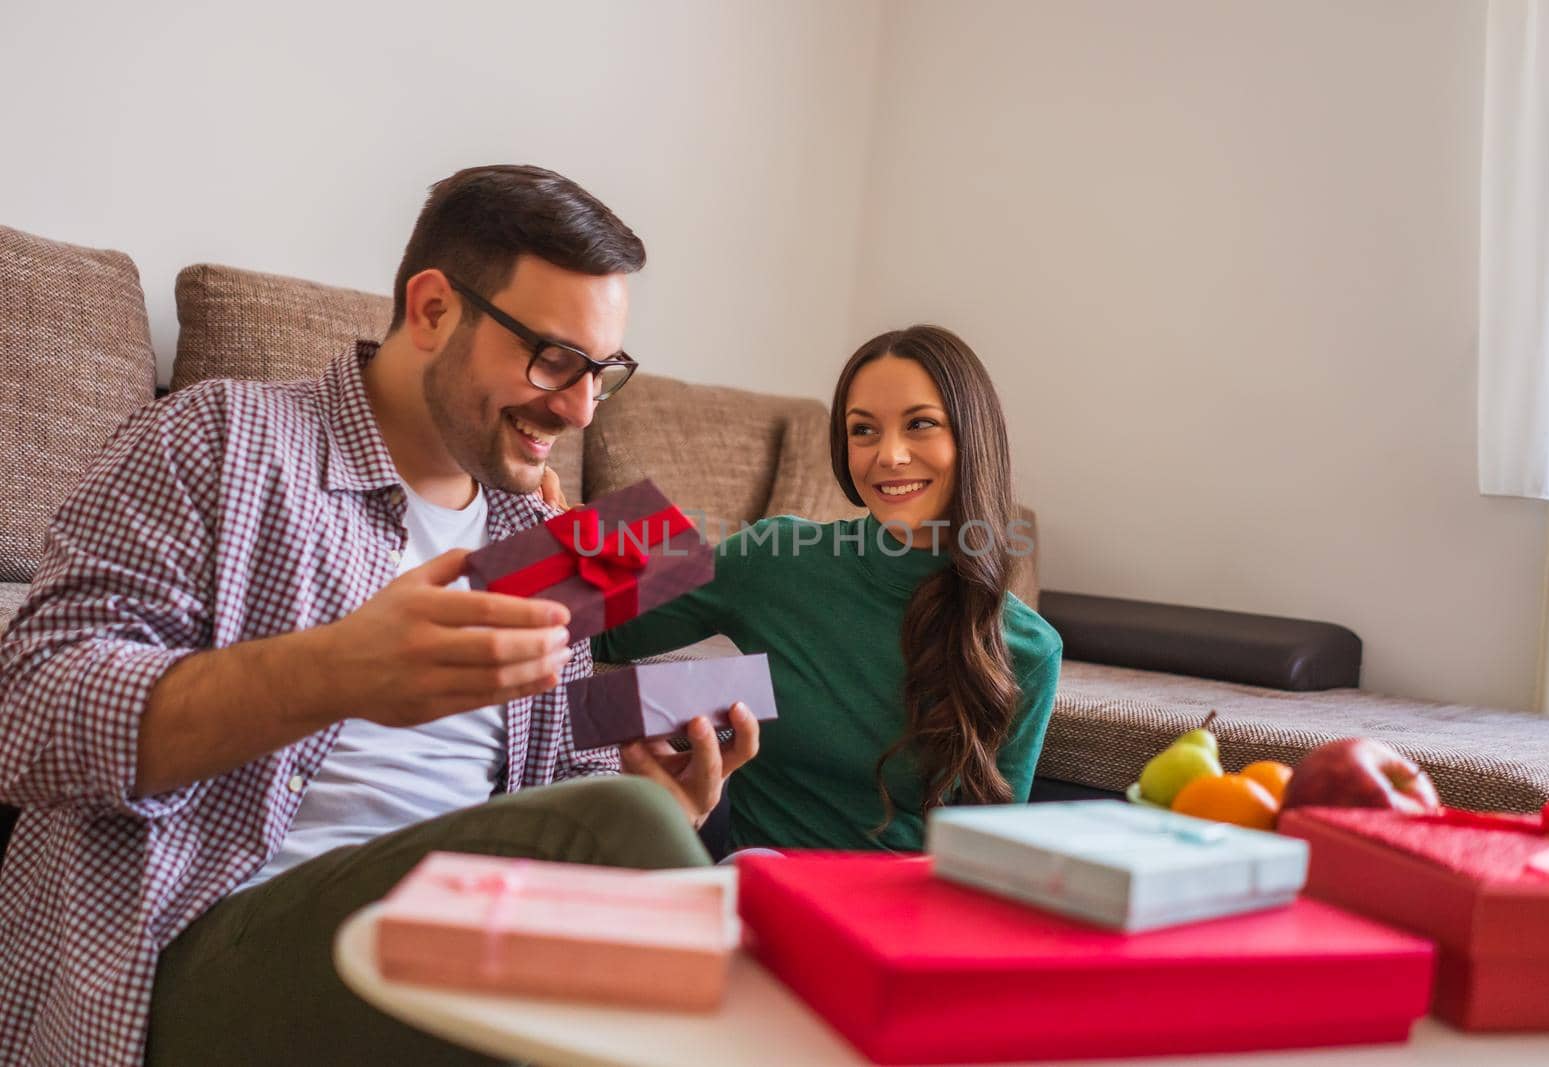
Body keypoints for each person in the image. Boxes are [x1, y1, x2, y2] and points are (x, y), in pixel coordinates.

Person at [0, 164, 759, 1067]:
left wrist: (659, 802)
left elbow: (577, 795)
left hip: (466, 956)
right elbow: (29, 716)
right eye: (553, 359)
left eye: (602, 372)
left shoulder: (555, 540)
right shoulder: (222, 438)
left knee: (678, 854)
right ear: (433, 309)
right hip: (199, 958)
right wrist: (335, 670)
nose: (579, 407)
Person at [593, 325, 1061, 853]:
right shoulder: (776, 555)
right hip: (761, 887)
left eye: (920, 424)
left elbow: (986, 862)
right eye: (863, 431)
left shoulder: (1029, 648)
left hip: (902, 919)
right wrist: (560, 531)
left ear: (973, 438)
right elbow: (600, 638)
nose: (889, 455)